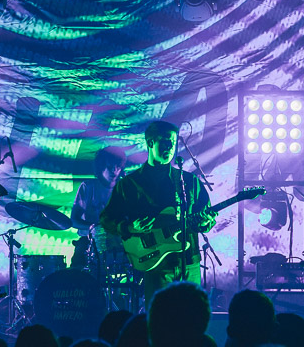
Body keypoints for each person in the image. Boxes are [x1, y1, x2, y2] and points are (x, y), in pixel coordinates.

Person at [100, 120, 216, 309]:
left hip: (189, 260)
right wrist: (130, 227)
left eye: (173, 142)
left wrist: (205, 223)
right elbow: (107, 218)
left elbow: (205, 216)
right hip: (154, 263)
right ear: (150, 143)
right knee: (161, 319)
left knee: (192, 317)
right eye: (164, 141)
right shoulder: (130, 184)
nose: (170, 147)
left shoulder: (189, 181)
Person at [70, 146, 126, 271]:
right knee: (76, 269)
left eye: (118, 167)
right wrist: (94, 227)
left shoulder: (124, 188)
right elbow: (74, 220)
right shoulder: (88, 187)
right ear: (101, 167)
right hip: (89, 241)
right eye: (110, 166)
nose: (114, 170)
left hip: (118, 242)